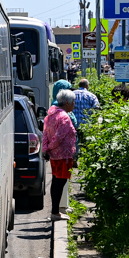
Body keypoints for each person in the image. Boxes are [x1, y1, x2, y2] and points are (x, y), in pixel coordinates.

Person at [42, 90, 77, 218]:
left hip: (54, 156)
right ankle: (55, 212)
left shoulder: (51, 114)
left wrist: (46, 149)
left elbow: (45, 133)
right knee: (59, 183)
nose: (74, 104)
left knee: (56, 182)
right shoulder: (64, 117)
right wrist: (50, 148)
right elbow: (59, 137)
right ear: (67, 103)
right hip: (63, 155)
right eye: (73, 102)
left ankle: (55, 211)